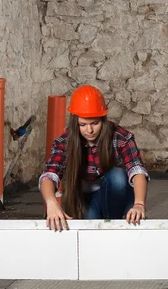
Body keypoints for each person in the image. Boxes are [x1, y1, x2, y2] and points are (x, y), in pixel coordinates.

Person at [39, 84, 149, 231]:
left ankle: (115, 223)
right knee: (91, 230)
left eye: (95, 123)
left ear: (102, 119)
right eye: (83, 125)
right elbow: (49, 175)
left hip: (116, 194)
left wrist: (139, 204)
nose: (89, 130)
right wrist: (51, 203)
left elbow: (137, 170)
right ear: (75, 123)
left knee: (117, 176)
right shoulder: (64, 142)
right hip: (86, 199)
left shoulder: (121, 137)